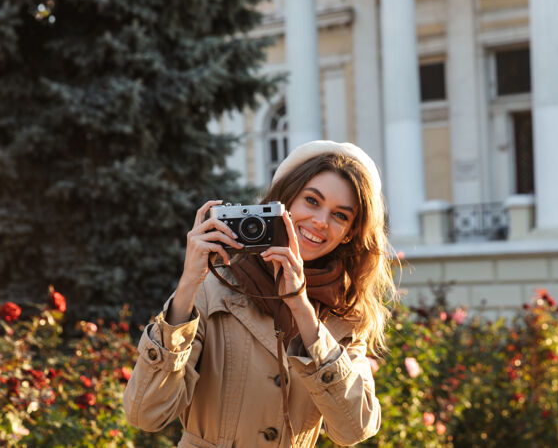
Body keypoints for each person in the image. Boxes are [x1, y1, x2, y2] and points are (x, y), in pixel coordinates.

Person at [124, 140, 395, 447]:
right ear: (286, 201)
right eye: (312, 201)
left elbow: (354, 430)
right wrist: (187, 285)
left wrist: (301, 307)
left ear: (349, 234)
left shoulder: (346, 315)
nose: (321, 222)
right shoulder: (214, 288)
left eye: (340, 216)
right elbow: (146, 414)